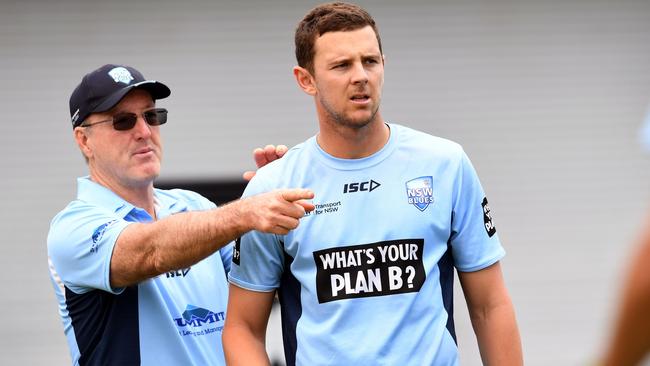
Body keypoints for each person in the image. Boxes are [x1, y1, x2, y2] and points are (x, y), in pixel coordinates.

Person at [223, 2, 523, 365]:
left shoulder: (445, 164)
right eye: (341, 66)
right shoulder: (272, 189)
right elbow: (242, 329)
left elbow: (491, 306)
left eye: (370, 61)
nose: (360, 76)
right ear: (306, 80)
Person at [47, 64, 314, 365]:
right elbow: (150, 252)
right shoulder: (72, 228)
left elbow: (265, 285)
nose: (144, 132)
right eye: (123, 121)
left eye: (151, 115)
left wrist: (273, 200)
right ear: (84, 140)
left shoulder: (194, 205)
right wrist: (246, 212)